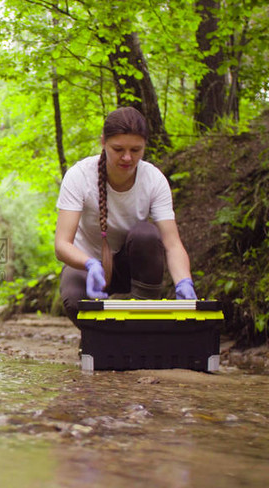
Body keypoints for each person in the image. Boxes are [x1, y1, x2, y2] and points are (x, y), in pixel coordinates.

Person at [54, 106, 196, 330]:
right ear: (103, 142)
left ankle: (143, 325)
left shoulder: (154, 180)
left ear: (145, 146)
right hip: (88, 267)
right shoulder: (79, 176)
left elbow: (172, 244)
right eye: (118, 149)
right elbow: (62, 245)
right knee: (75, 300)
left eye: (136, 150)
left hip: (130, 265)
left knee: (147, 234)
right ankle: (100, 337)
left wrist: (184, 281)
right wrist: (90, 264)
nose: (127, 157)